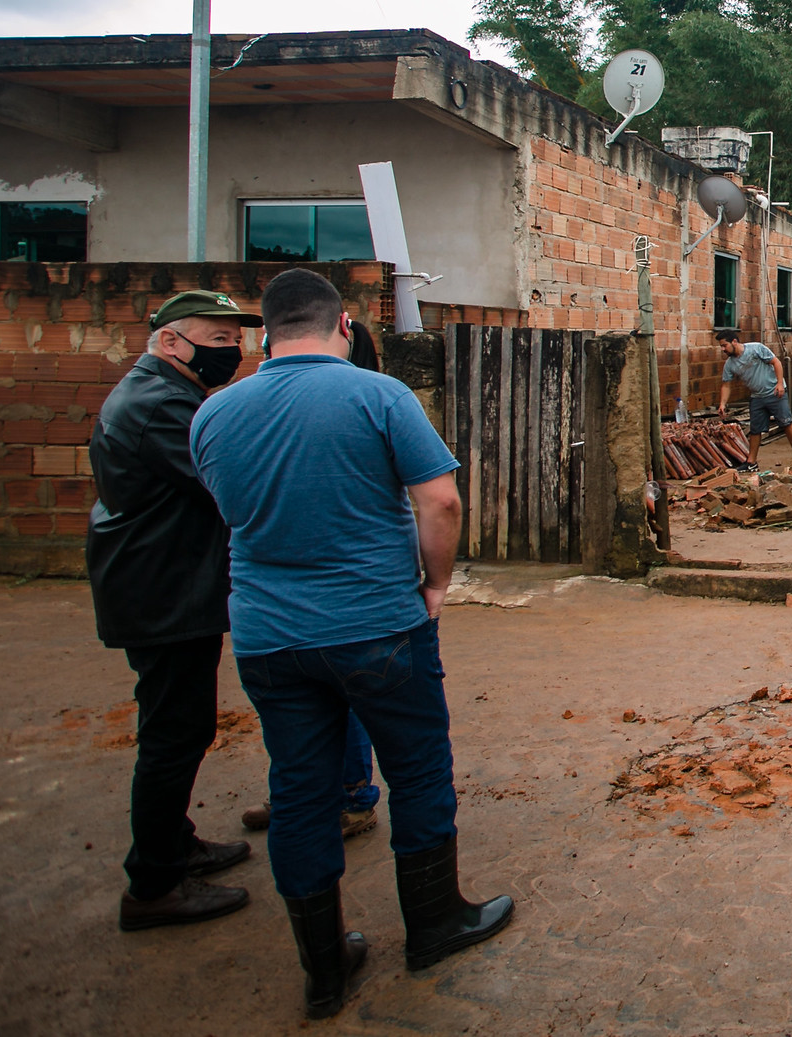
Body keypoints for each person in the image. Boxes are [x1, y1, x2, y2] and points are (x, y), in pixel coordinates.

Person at [192, 270, 511, 1020]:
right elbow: (440, 499)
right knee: (418, 770)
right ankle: (434, 924)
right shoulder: (379, 396)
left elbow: (229, 509)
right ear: (343, 326)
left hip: (269, 637)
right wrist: (435, 584)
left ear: (265, 334)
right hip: (377, 625)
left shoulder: (214, 412)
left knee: (300, 791)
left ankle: (325, 967)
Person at [86, 289, 262, 933]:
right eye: (217, 341)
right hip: (161, 591)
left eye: (235, 341)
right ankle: (154, 884)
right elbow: (227, 481)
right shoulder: (160, 405)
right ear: (170, 341)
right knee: (173, 733)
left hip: (162, 581)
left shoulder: (164, 393)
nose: (231, 352)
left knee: (178, 725)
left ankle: (174, 843)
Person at [239, 318, 384, 842]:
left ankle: (344, 795)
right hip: (303, 596)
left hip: (332, 594)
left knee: (337, 699)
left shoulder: (370, 402)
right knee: (313, 706)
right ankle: (309, 796)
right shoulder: (266, 404)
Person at [716, 329, 792, 469]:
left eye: (724, 345)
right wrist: (722, 404)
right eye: (721, 346)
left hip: (774, 392)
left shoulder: (756, 349)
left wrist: (780, 384)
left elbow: (776, 362)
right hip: (757, 397)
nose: (723, 349)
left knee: (786, 422)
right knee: (755, 430)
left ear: (734, 342)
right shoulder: (730, 364)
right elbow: (726, 385)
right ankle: (751, 462)